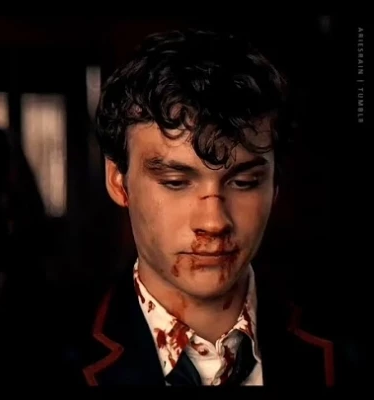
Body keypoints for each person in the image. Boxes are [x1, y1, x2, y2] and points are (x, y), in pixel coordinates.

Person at [61, 28, 336, 387]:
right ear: (118, 181)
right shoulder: (42, 357)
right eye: (176, 182)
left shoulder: (344, 348)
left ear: (275, 186)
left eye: (244, 182)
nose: (214, 221)